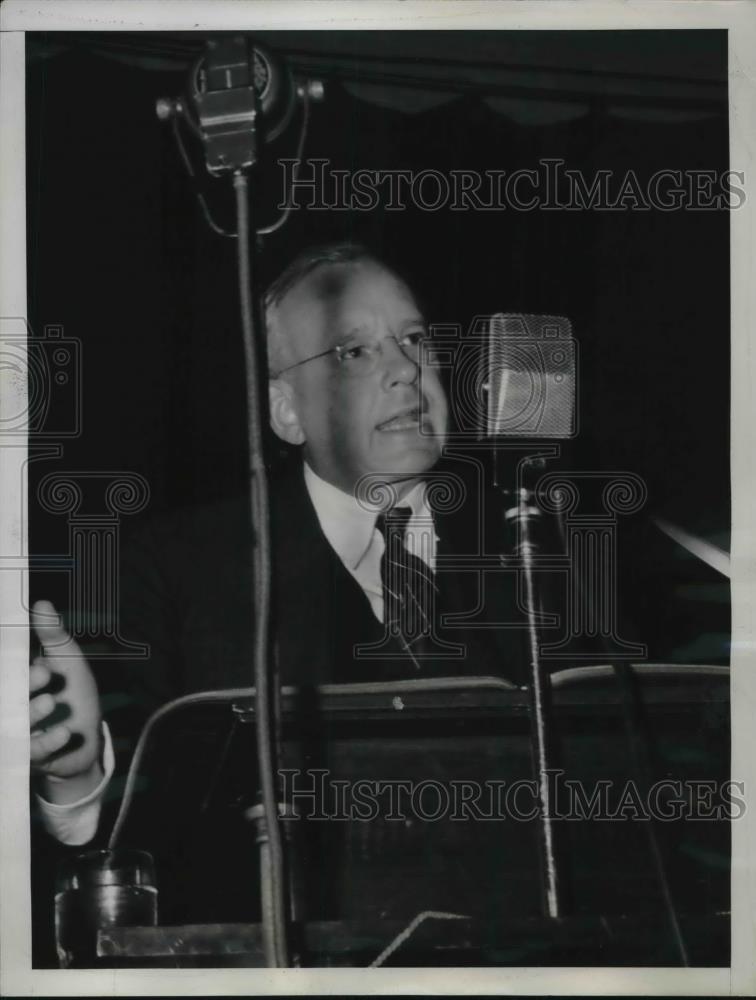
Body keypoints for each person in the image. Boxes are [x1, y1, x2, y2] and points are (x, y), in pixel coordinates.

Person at [29, 243, 527, 951]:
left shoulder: (537, 550)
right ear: (286, 411)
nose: (405, 370)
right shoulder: (176, 569)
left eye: (414, 339)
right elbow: (137, 854)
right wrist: (79, 773)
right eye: (352, 352)